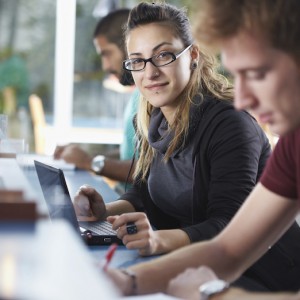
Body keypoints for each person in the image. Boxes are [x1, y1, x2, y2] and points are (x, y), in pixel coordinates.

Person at [75, 1, 300, 294]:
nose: (242, 99)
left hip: (263, 277)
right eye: (138, 61)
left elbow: (225, 228)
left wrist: (216, 294)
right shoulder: (150, 120)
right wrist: (125, 279)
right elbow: (226, 250)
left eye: (256, 74)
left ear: (192, 56)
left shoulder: (231, 123)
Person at [54, 9, 138, 191]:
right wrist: (87, 156)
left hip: (138, 214)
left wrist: (89, 161)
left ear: (127, 45)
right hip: (124, 201)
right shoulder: (137, 95)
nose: (105, 66)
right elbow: (131, 154)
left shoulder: (155, 97)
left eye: (107, 54)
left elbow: (153, 170)